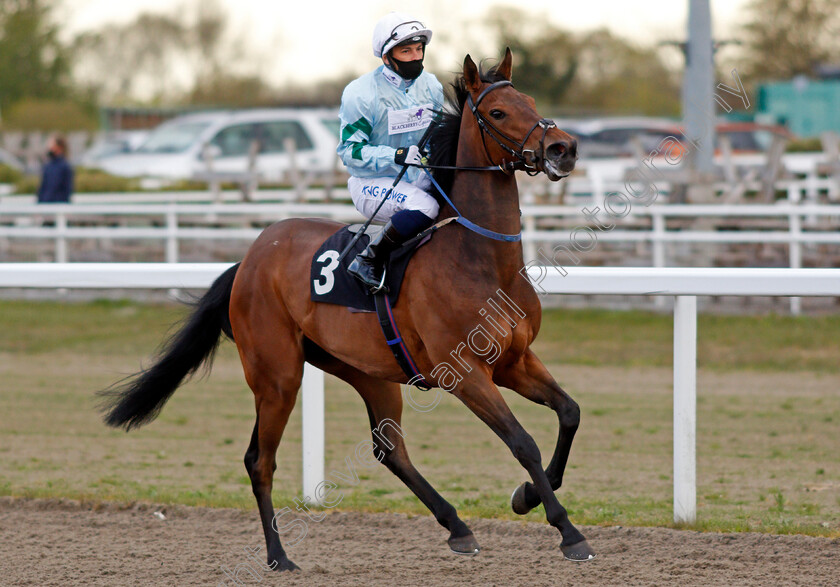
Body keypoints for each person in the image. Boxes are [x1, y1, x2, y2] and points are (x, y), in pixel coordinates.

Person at [338, 12, 444, 292]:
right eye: (406, 50)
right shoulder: (360, 93)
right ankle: (369, 259)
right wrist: (394, 156)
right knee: (427, 207)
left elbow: (439, 138)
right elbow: (350, 152)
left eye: (419, 49)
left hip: (417, 178)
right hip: (370, 183)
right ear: (386, 56)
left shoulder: (432, 86)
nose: (415, 57)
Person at [37, 134, 74, 203]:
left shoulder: (64, 166)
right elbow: (42, 188)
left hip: (57, 207)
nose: (49, 148)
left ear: (59, 147)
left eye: (51, 145)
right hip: (45, 207)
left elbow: (66, 191)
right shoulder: (48, 166)